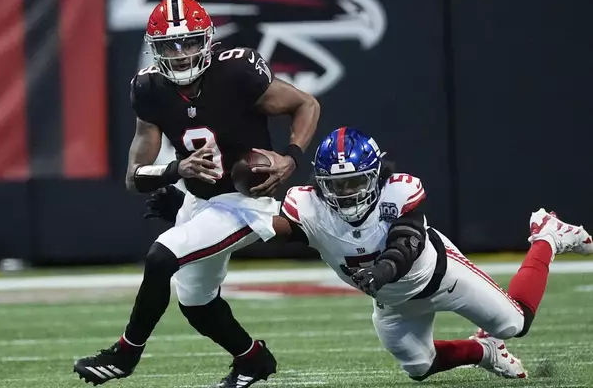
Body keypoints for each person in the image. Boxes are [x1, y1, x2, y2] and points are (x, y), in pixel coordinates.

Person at [147, 126, 593, 381]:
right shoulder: (309, 207)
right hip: (393, 302)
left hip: (441, 277)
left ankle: (547, 237)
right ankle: (483, 352)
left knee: (516, 322)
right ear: (321, 184)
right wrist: (187, 216)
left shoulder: (400, 190)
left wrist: (381, 270)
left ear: (376, 176)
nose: (346, 192)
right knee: (419, 368)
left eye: (355, 182)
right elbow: (254, 229)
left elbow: (408, 240)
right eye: (337, 185)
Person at [73, 0, 319, 387]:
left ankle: (125, 354)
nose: (181, 53)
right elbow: (133, 177)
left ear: (207, 40)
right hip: (200, 201)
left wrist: (291, 157)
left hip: (245, 204)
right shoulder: (150, 87)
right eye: (170, 45)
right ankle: (253, 360)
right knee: (196, 303)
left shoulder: (237, 70)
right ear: (154, 49)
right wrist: (176, 170)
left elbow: (305, 103)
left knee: (160, 257)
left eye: (188, 42)